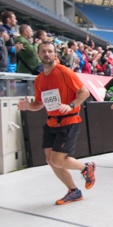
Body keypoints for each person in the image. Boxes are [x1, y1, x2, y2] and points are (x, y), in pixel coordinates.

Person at [18, 41, 96, 205]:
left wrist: (71, 106)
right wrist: (27, 107)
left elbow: (84, 92)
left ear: (55, 55)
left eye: (50, 51)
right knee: (50, 160)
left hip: (69, 121)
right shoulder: (39, 79)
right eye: (43, 51)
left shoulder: (64, 72)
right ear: (38, 55)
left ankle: (86, 168)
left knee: (57, 160)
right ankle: (74, 191)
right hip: (51, 123)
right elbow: (38, 104)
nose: (46, 54)